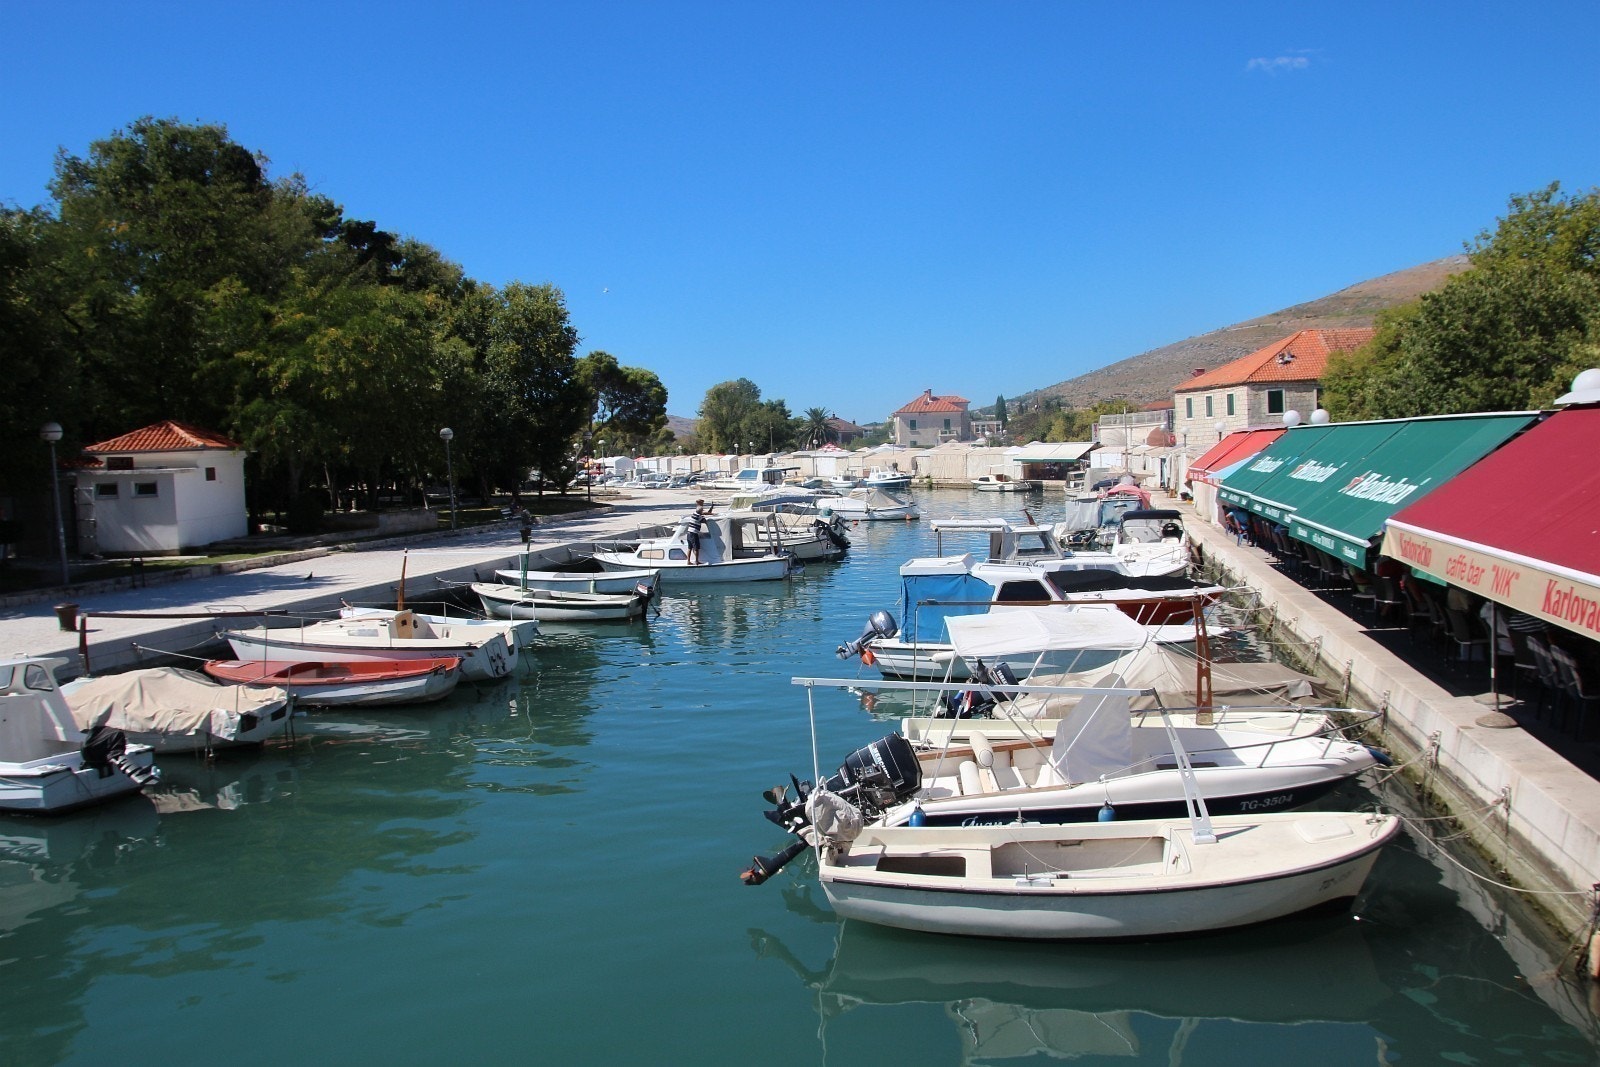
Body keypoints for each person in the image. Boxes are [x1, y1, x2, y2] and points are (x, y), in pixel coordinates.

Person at [686, 499, 712, 564]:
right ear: (700, 511)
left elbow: (702, 514)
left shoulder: (694, 514)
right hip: (693, 534)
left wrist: (709, 512)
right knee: (696, 548)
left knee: (689, 548)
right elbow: (704, 521)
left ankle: (688, 561)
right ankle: (697, 561)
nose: (702, 512)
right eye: (702, 511)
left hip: (689, 533)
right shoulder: (698, 516)